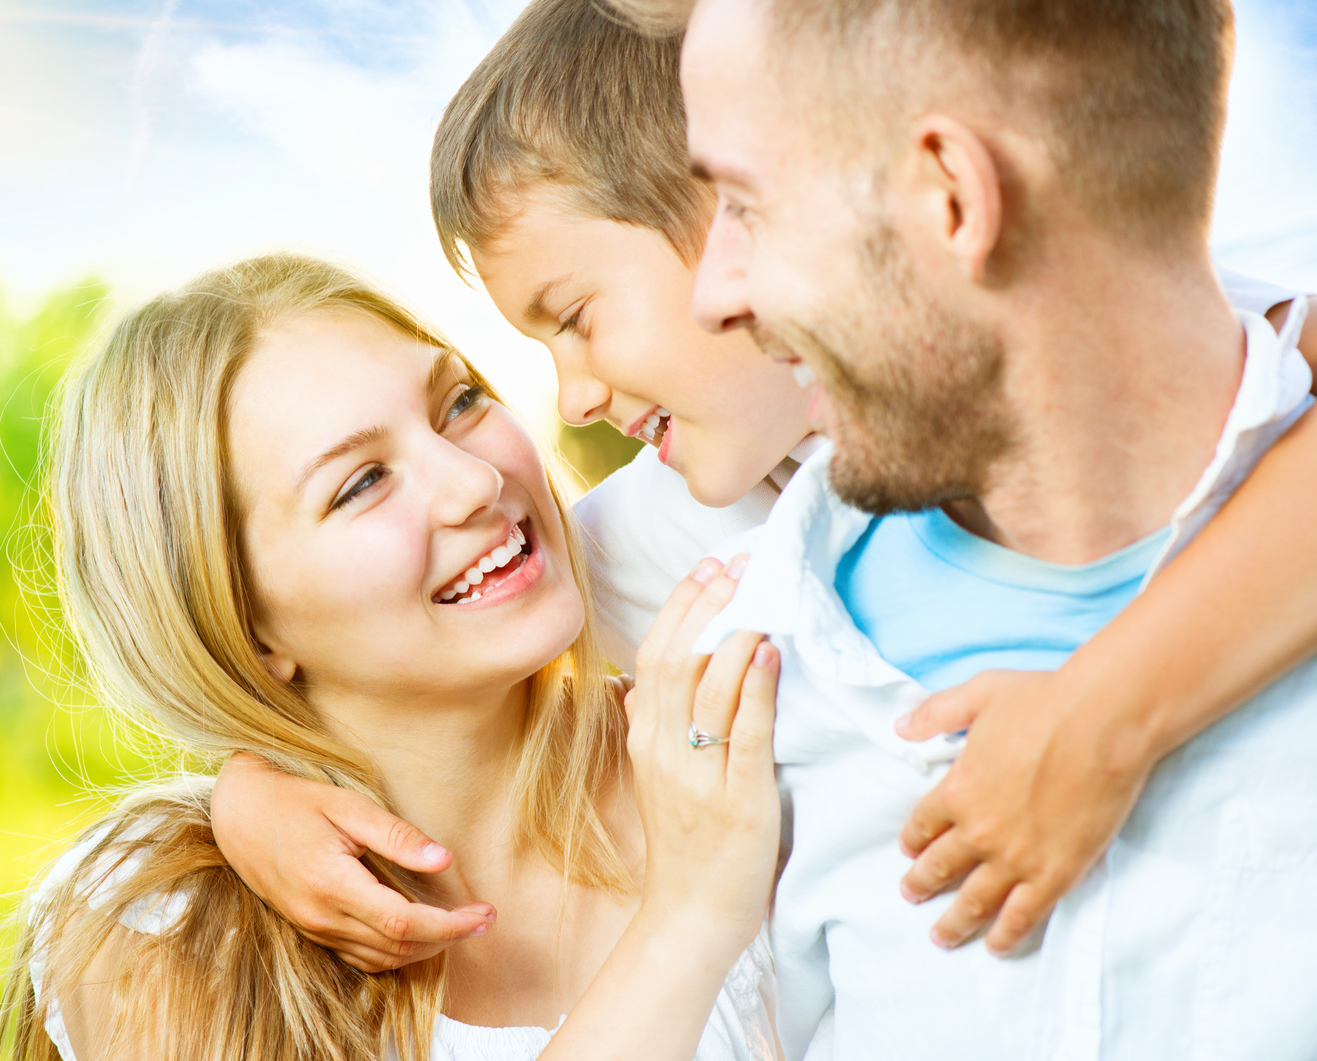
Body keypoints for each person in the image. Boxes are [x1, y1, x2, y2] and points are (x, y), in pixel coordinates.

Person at [208, 0, 1317, 980]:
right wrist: (247, 793)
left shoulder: (1118, 372)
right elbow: (428, 643)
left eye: (575, 316)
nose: (576, 397)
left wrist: (1102, 715)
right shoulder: (672, 531)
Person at [617, 0, 1316, 1061]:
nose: (714, 295)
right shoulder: (749, 650)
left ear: (951, 198)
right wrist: (249, 798)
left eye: (745, 204)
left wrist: (1114, 710)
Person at [0, 253, 790, 1061]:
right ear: (240, 622)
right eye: (361, 483)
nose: (476, 482)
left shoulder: (726, 741)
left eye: (460, 403)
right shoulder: (162, 932)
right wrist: (688, 920)